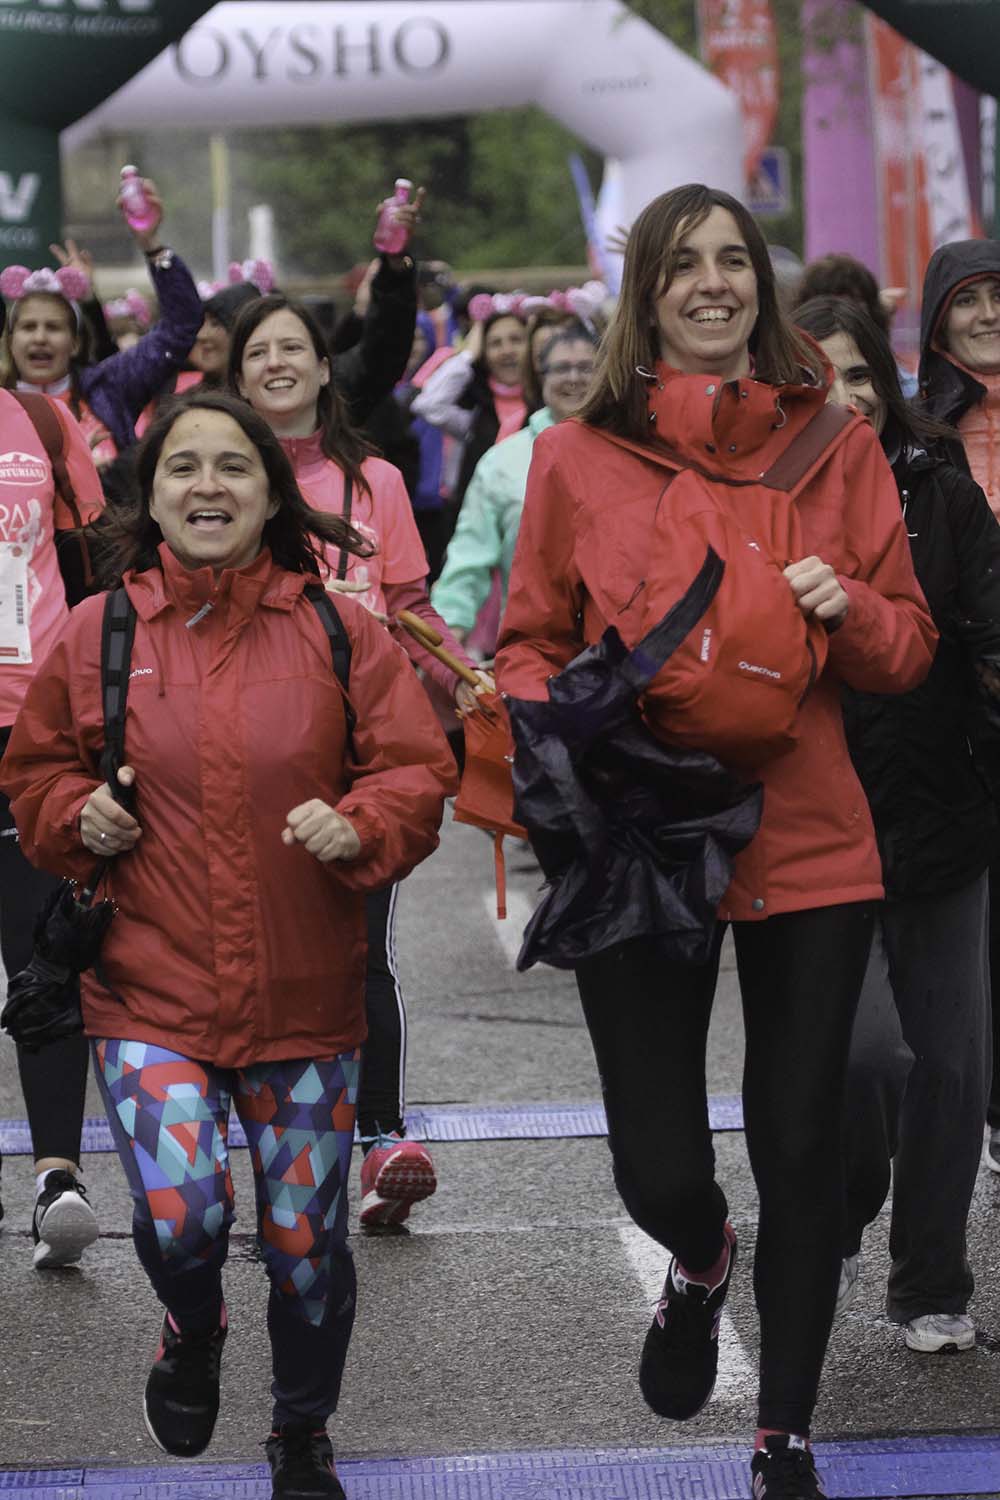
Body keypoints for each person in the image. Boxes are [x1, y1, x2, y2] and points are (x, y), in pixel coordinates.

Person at [495, 184, 935, 1500]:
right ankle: (698, 1263)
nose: (710, 283)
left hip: (806, 831)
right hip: (639, 831)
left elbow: (908, 646)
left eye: (732, 260)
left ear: (762, 286)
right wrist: (549, 717)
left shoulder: (835, 446)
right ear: (645, 293)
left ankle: (782, 1435)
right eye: (681, 263)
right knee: (658, 1165)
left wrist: (847, 606)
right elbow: (528, 636)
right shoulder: (574, 456)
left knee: (802, 1146)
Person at [0, 390, 456, 1492]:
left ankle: (301, 1432)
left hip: (305, 998)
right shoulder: (98, 631)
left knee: (305, 1248)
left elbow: (414, 768)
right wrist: (76, 815)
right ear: (151, 497)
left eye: (234, 466)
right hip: (146, 990)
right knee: (184, 1214)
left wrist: (361, 822)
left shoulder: (339, 629)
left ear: (270, 493)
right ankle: (192, 1325)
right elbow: (37, 773)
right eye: (183, 468)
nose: (208, 486)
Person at [228, 293, 490, 1231]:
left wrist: (460, 677)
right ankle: (250, 1148)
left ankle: (382, 1139)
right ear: (238, 377)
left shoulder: (375, 480)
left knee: (362, 946)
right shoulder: (225, 479)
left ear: (323, 366)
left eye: (293, 347)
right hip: (250, 747)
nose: (278, 363)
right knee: (250, 952)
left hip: (364, 752)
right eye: (259, 352)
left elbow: (411, 606)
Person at [795, 293, 1000, 1352]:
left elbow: (990, 635)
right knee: (870, 1057)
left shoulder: (942, 490)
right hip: (817, 825)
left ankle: (931, 1285)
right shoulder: (757, 502)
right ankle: (837, 1209)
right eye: (818, 376)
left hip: (943, 814)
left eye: (860, 372)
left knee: (953, 1068)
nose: (845, 396)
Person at [0, 297, 106, 1265]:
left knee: (42, 955)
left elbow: (93, 565)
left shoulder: (39, 421)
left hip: (25, 724)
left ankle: (57, 1178)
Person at [917, 239, 1000, 1170]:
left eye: (999, 296)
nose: (988, 315)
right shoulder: (921, 428)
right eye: (969, 301)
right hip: (958, 705)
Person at [0, 181, 202, 467]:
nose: (40, 338)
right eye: (28, 327)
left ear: (75, 343)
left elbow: (181, 325)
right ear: (10, 341)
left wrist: (151, 245)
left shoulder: (109, 388)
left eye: (53, 327)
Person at [432, 322, 597, 638]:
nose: (574, 378)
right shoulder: (501, 461)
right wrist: (448, 634)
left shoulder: (631, 451)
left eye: (586, 368)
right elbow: (469, 559)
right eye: (561, 368)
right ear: (540, 377)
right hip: (535, 645)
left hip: (623, 649)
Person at [410, 304, 528, 525]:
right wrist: (467, 355)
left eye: (516, 340)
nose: (507, 351)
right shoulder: (475, 413)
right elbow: (427, 405)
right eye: (495, 343)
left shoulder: (546, 407)